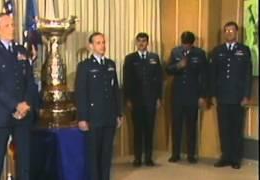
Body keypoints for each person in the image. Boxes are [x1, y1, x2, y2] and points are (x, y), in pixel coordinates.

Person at [0, 13, 38, 180]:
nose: (12, 28)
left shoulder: (21, 51)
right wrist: (15, 105)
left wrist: (26, 104)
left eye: (12, 25)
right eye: (7, 26)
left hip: (23, 114)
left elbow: (30, 81)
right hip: (2, 113)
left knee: (25, 163)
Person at [75, 32, 123, 180]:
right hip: (93, 117)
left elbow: (116, 90)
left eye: (103, 42)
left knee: (106, 154)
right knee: (94, 155)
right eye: (98, 43)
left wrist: (119, 113)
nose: (102, 46)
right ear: (91, 46)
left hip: (109, 116)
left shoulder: (110, 64)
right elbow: (81, 93)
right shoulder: (85, 66)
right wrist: (82, 118)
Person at [209, 21, 252, 169]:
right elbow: (212, 75)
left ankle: (236, 158)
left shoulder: (244, 50)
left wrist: (246, 95)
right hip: (222, 96)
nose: (228, 33)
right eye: (226, 31)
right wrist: (213, 95)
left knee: (236, 128)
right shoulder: (217, 50)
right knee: (224, 128)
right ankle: (225, 156)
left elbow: (247, 75)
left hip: (238, 97)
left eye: (231, 30)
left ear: (237, 32)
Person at [166, 31, 208, 164]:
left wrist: (202, 96)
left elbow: (204, 76)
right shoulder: (175, 52)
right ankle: (175, 154)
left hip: (192, 95)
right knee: (176, 125)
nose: (185, 47)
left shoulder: (200, 54)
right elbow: (168, 69)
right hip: (177, 95)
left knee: (191, 126)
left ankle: (191, 154)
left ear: (192, 43)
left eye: (188, 45)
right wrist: (178, 66)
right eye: (184, 44)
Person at [123, 32, 163, 167]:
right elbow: (126, 80)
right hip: (136, 100)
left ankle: (149, 157)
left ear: (147, 43)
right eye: (139, 41)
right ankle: (138, 157)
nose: (141, 43)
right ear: (136, 43)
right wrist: (128, 99)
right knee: (138, 130)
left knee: (149, 129)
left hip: (151, 99)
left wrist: (159, 98)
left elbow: (159, 79)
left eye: (144, 41)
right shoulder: (130, 58)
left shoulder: (154, 58)